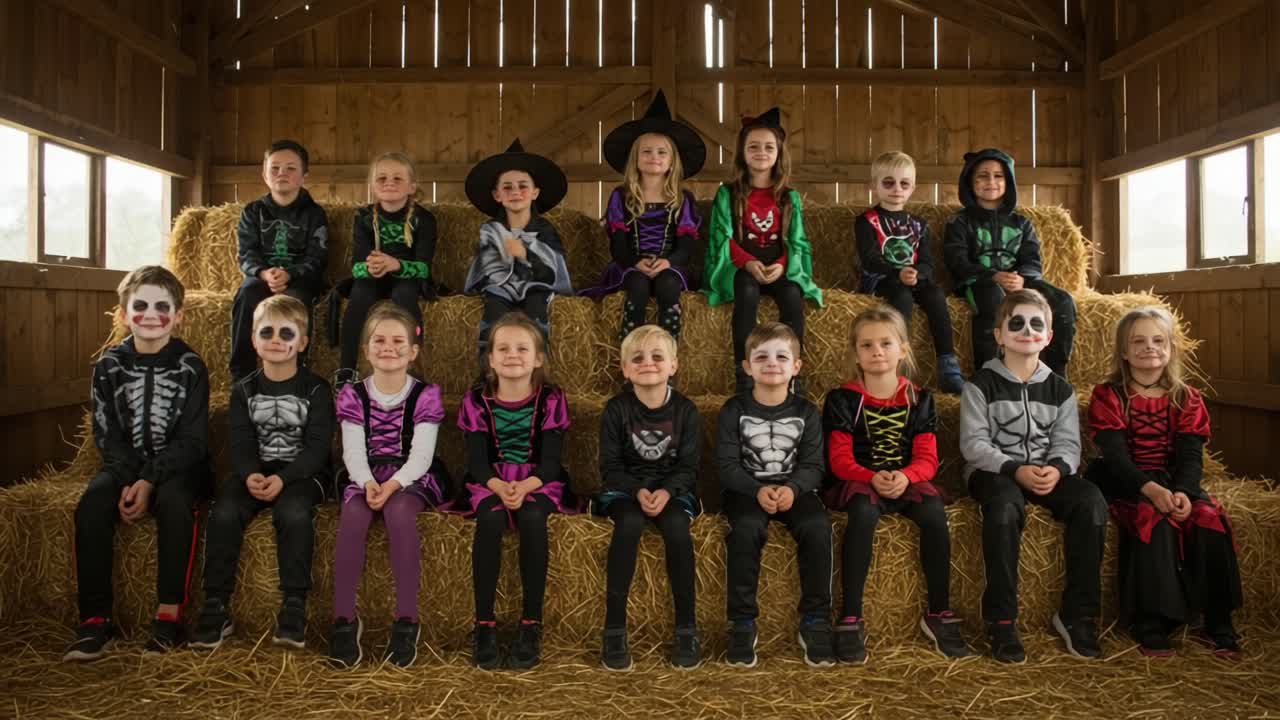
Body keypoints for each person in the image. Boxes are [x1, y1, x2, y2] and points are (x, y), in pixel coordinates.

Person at [65, 266, 210, 660]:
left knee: (176, 504)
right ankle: (95, 619)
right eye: (140, 305)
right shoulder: (108, 366)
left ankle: (169, 616)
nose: (150, 314)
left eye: (162, 306)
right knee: (92, 506)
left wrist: (149, 480)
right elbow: (105, 433)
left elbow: (193, 441)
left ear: (178, 316)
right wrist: (130, 476)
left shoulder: (191, 366)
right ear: (124, 313)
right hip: (122, 464)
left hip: (177, 467)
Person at [1086, 306, 1241, 658]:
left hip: (1174, 479)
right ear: (1124, 351)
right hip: (1127, 480)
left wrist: (1184, 493)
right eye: (1138, 341)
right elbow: (1115, 458)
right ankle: (1152, 621)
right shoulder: (1110, 394)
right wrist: (1151, 490)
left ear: (1170, 348)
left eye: (1158, 340)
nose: (1149, 347)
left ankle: (1218, 622)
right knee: (1151, 520)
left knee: (1208, 518)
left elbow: (1190, 456)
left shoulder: (1186, 396)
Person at [960, 289, 1105, 663]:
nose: (1027, 330)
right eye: (1017, 323)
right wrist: (1014, 469)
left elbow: (1069, 445)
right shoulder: (980, 385)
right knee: (1004, 508)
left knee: (1090, 502)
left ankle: (1077, 615)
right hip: (995, 472)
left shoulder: (1060, 390)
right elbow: (974, 444)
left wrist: (1056, 470)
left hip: (1046, 471)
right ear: (999, 334)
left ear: (1048, 336)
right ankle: (1002, 619)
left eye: (1036, 324)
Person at [822, 306, 968, 663]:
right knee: (862, 513)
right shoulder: (842, 399)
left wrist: (905, 476)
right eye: (867, 345)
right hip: (860, 478)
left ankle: (939, 611)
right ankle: (851, 616)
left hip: (906, 478)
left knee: (934, 513)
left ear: (903, 349)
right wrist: (871, 477)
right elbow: (839, 459)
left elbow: (928, 459)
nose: (877, 352)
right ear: (855, 352)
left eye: (886, 343)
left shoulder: (919, 398)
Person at [193, 295, 333, 652]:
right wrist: (250, 474)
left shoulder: (316, 389)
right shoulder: (243, 390)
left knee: (293, 513)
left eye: (286, 332)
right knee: (224, 511)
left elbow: (317, 448)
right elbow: (240, 442)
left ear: (302, 342)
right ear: (253, 340)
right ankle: (215, 604)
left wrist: (285, 479)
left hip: (302, 473)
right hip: (256, 470)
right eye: (266, 331)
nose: (275, 339)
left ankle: (294, 604)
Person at [455, 312, 579, 670]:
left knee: (533, 516)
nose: (513, 355)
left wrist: (525, 486)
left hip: (538, 481)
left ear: (538, 358)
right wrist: (498, 486)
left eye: (522, 348)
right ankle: (484, 624)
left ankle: (531, 622)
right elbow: (477, 463)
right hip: (489, 480)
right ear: (490, 358)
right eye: (503, 348)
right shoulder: (477, 401)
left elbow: (552, 462)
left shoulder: (551, 399)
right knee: (491, 520)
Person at [328, 302, 448, 669]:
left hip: (409, 476)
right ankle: (344, 619)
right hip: (364, 474)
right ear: (366, 350)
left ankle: (406, 619)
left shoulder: (425, 395)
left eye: (398, 341)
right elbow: (351, 451)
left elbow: (422, 455)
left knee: (399, 514)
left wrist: (392, 485)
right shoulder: (353, 395)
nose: (388, 347)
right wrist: (366, 484)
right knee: (353, 516)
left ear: (412, 352)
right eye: (379, 340)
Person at [718, 321, 833, 667]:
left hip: (796, 491)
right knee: (745, 531)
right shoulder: (733, 410)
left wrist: (793, 489)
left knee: (817, 528)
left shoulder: (807, 412)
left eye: (782, 356)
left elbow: (815, 465)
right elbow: (726, 465)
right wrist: (756, 489)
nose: (772, 363)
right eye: (761, 356)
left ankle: (815, 619)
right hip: (746, 490)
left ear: (796, 367)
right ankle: (741, 622)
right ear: (747, 366)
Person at [596, 325, 702, 670]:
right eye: (637, 358)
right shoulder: (616, 410)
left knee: (675, 528)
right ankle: (614, 628)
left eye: (658, 356)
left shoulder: (685, 411)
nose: (648, 363)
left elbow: (689, 467)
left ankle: (686, 627)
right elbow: (609, 466)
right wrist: (637, 490)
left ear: (674, 365)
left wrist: (667, 491)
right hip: (626, 488)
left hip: (673, 489)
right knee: (627, 523)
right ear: (625, 369)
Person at [703, 108, 822, 393]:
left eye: (769, 147)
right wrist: (747, 263)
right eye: (753, 146)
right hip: (744, 266)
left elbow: (796, 241)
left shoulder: (788, 197)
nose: (761, 152)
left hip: (779, 265)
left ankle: (793, 375)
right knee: (746, 293)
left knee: (793, 296)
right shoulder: (728, 194)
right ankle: (744, 372)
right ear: (742, 152)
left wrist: (782, 264)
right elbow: (722, 235)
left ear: (779, 153)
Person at [581, 90, 704, 340]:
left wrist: (668, 262)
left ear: (672, 161)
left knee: (668, 286)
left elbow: (687, 244)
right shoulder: (622, 196)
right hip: (630, 264)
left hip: (670, 265)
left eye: (662, 152)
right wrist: (634, 262)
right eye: (646, 152)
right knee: (636, 286)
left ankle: (669, 350)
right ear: (635, 159)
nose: (654, 157)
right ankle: (631, 350)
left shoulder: (682, 199)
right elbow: (618, 243)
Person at [855, 151, 963, 393]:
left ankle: (948, 364)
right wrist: (897, 274)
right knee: (901, 296)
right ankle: (897, 367)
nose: (896, 189)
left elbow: (926, 261)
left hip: (912, 277)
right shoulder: (867, 221)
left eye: (904, 183)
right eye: (888, 183)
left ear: (912, 187)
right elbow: (870, 259)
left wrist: (918, 274)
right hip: (882, 279)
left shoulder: (919, 224)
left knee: (935, 294)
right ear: (873, 186)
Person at [463, 139, 573, 366]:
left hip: (536, 287)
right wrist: (500, 262)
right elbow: (485, 268)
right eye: (507, 187)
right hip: (500, 288)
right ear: (497, 195)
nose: (515, 192)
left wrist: (525, 253)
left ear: (535, 192)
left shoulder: (544, 230)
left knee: (535, 314)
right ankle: (488, 370)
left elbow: (552, 271)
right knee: (494, 315)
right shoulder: (491, 230)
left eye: (523, 186)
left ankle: (535, 369)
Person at [334, 152, 437, 390]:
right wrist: (371, 266)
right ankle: (347, 370)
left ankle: (412, 367)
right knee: (359, 297)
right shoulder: (363, 217)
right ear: (372, 185)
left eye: (397, 178)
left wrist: (397, 265)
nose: (389, 183)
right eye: (381, 178)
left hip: (406, 277)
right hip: (375, 277)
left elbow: (423, 268)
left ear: (412, 186)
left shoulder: (424, 219)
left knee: (404, 296)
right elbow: (357, 267)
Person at [230, 139, 329, 381]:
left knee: (295, 303)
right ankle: (241, 375)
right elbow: (246, 253)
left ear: (304, 175)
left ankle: (294, 373)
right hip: (262, 278)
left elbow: (317, 257)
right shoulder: (252, 212)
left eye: (290, 168)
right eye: (274, 168)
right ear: (264, 174)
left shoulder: (314, 214)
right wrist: (264, 273)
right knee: (246, 295)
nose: (281, 173)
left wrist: (290, 274)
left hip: (300, 280)